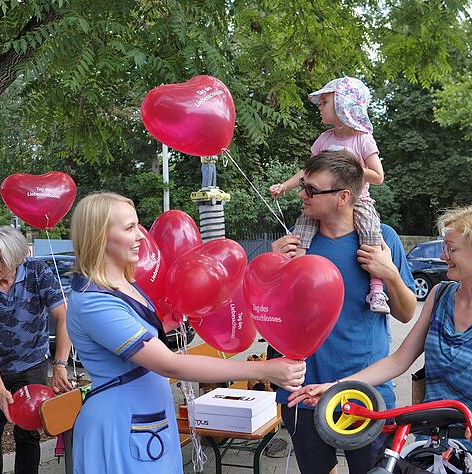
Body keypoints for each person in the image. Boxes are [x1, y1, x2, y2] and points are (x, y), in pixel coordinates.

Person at [66, 192, 305, 473]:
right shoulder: (95, 301)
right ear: (100, 236)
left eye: (138, 226)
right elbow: (171, 364)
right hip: (121, 421)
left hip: (144, 417)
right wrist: (264, 371)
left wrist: (163, 325)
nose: (141, 237)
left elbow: (133, 342)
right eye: (129, 228)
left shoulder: (120, 283)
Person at [288, 202, 472, 466]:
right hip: (431, 446)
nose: (443, 257)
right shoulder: (440, 295)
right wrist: (337, 387)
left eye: (452, 249)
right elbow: (399, 360)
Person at [270, 150, 417, 474]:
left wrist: (390, 273)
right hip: (302, 390)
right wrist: (274, 269)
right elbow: (272, 315)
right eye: (303, 186)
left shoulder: (382, 240)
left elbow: (406, 314)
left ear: (343, 197)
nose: (302, 194)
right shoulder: (296, 245)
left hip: (364, 390)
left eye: (311, 189)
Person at [268, 76, 392, 314]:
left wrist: (348, 167)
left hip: (358, 200)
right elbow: (308, 171)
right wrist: (284, 186)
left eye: (324, 102)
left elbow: (378, 176)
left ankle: (376, 290)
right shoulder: (324, 140)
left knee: (371, 237)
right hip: (324, 201)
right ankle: (299, 279)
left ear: (343, 105)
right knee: (301, 231)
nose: (319, 108)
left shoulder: (362, 139)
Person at [0, 226, 73, 474]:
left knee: (28, 432)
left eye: (1, 258)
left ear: (19, 258)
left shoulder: (37, 272)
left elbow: (64, 316)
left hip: (31, 365)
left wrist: (60, 365)